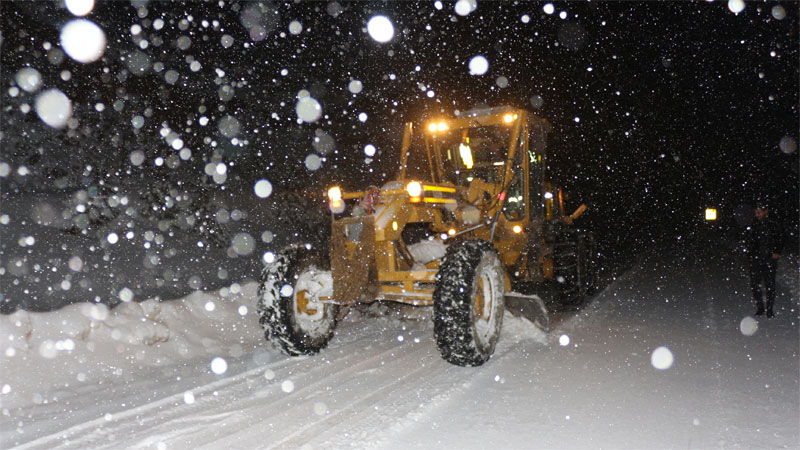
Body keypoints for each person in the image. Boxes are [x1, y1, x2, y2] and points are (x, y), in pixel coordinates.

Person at [744, 203, 783, 318]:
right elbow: (749, 240)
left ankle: (769, 309)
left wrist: (777, 252)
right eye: (756, 212)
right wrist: (750, 253)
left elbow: (780, 238)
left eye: (759, 212)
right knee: (755, 284)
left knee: (769, 284)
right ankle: (760, 308)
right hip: (756, 259)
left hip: (769, 259)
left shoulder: (773, 224)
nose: (757, 214)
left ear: (766, 211)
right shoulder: (754, 224)